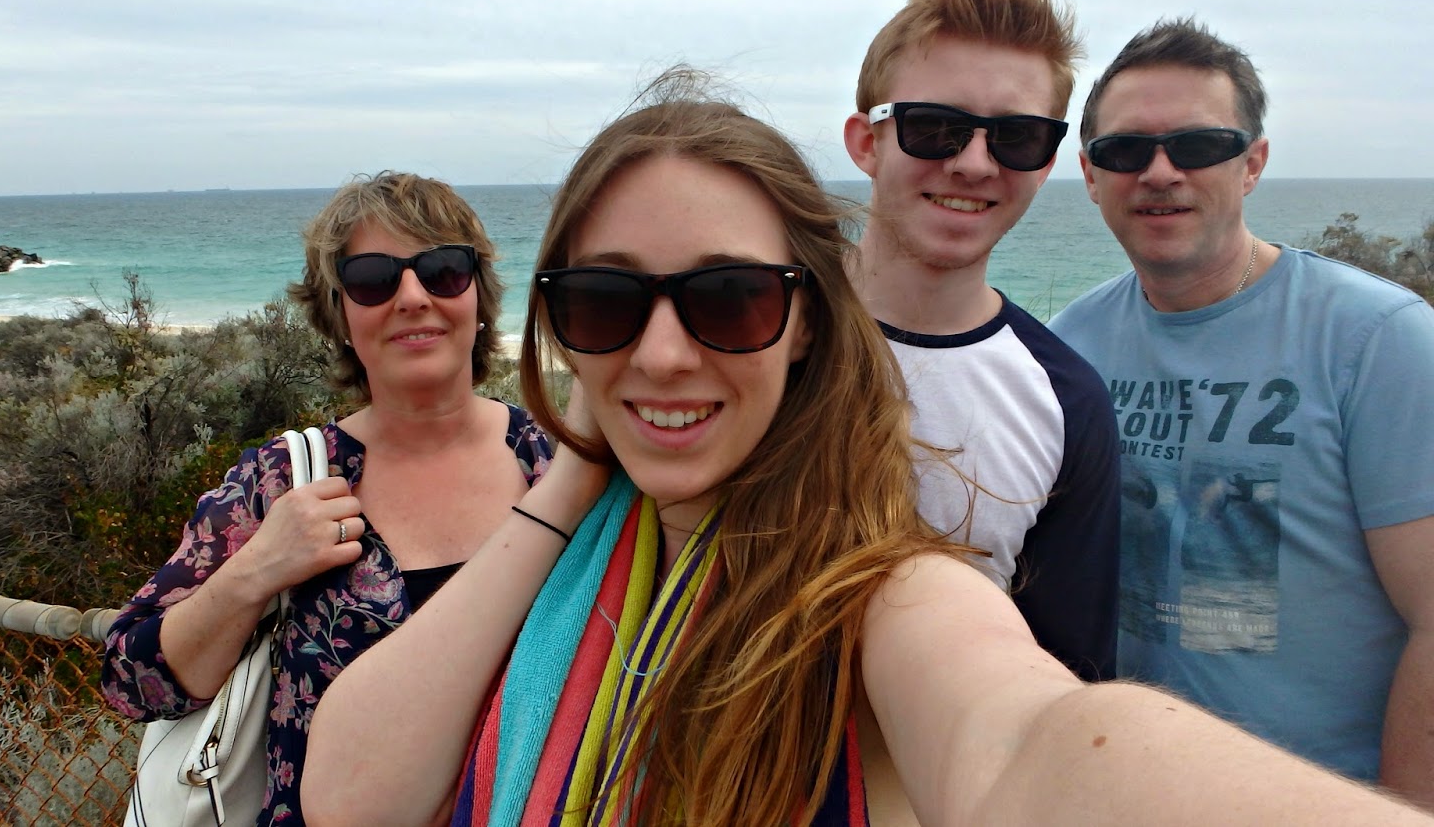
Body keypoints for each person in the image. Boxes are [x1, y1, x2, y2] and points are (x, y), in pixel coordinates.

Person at [301, 72, 1434, 826]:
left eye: (730, 298)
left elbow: (1025, 741)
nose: (661, 355)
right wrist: (574, 476)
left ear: (805, 322)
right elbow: (351, 796)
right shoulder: (568, 548)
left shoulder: (882, 591)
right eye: (605, 301)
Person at [1049, 18, 1434, 805]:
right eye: (1126, 150)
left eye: (1197, 146)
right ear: (1090, 174)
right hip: (1124, 792)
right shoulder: (1069, 346)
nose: (1160, 172)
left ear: (1251, 163)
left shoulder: (1377, 341)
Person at [100, 172, 553, 825]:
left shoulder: (553, 465)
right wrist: (258, 569)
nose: (413, 297)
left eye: (443, 270)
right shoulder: (284, 480)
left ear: (478, 295)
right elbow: (130, 681)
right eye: (373, 279)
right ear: (339, 315)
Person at [843, 0, 1120, 680]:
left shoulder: (1066, 401)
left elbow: (1060, 680)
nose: (973, 163)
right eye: (935, 128)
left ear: (1047, 162)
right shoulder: (751, 325)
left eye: (1017, 137)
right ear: (867, 142)